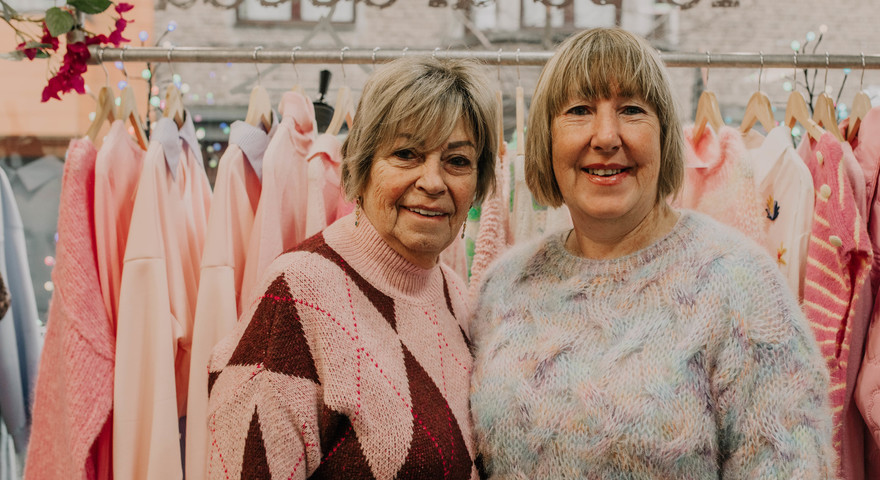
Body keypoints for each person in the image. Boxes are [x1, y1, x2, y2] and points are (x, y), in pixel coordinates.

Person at [469, 27, 836, 479]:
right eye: (580, 110)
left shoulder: (741, 285)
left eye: (631, 110)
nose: (606, 136)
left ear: (664, 137)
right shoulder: (503, 286)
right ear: (546, 140)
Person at [205, 55, 499, 479]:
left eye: (457, 161)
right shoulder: (297, 293)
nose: (433, 182)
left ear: (477, 182)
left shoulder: (453, 293)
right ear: (362, 168)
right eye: (406, 154)